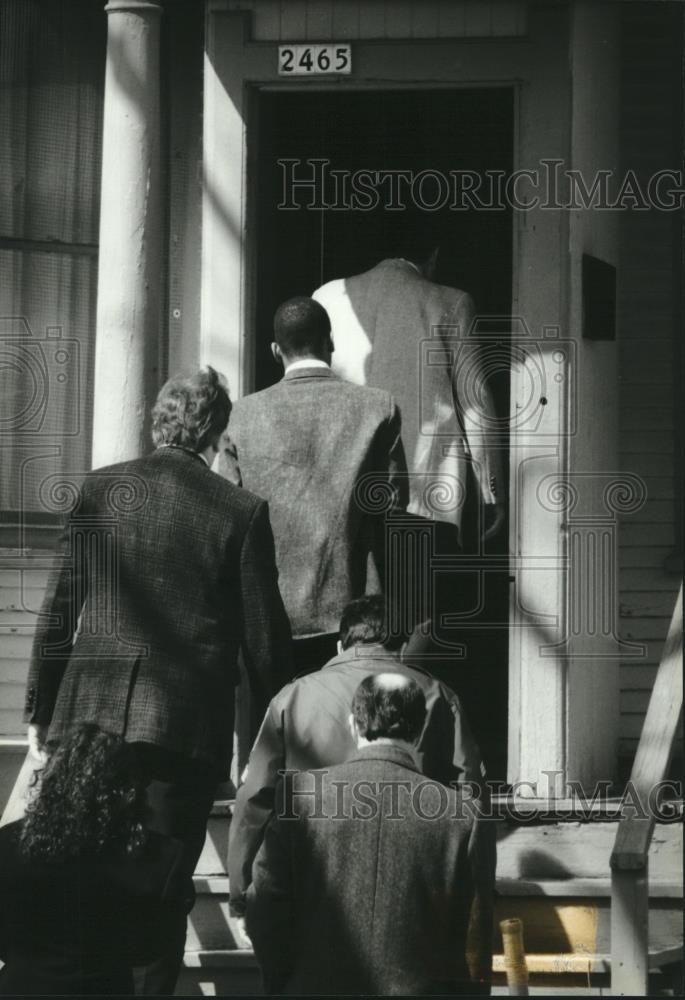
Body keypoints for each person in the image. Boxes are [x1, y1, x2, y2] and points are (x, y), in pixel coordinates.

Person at [24, 366, 291, 994]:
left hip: (87, 721)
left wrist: (41, 706)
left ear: (157, 422)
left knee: (80, 875)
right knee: (162, 896)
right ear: (218, 431)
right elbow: (264, 646)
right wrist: (266, 742)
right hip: (180, 730)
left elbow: (61, 607)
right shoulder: (240, 510)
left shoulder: (100, 488)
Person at [228, 594, 484, 922]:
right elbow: (471, 801)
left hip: (311, 886)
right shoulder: (439, 697)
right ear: (404, 646)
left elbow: (253, 802)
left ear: (339, 646)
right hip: (410, 891)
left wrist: (241, 896)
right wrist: (474, 901)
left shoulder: (291, 698)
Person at [246, 674, 496, 995]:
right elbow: (473, 939)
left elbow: (265, 904)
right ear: (419, 731)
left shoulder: (299, 794)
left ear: (353, 725)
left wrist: (285, 983)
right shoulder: (462, 814)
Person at [214, 296, 408, 675]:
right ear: (329, 341)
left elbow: (229, 515)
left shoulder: (240, 416)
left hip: (270, 613)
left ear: (275, 350)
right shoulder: (377, 408)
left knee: (279, 726)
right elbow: (393, 510)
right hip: (354, 611)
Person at [312, 226, 505, 546]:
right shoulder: (451, 302)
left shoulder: (326, 296)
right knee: (416, 592)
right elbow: (475, 404)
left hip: (341, 485)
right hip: (425, 492)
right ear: (434, 256)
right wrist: (491, 490)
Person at [0, 725, 187, 996]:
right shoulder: (161, 856)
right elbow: (151, 949)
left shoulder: (7, 843)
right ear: (128, 787)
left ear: (53, 779)